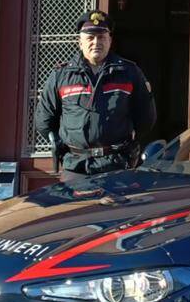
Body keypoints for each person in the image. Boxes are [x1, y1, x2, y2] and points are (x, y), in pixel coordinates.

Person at [34, 10, 156, 182]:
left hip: (116, 165)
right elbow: (44, 120)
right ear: (80, 42)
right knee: (75, 210)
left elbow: (146, 119)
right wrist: (63, 147)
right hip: (76, 167)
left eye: (102, 37)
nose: (96, 42)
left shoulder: (129, 73)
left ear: (110, 40)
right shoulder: (61, 75)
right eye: (90, 37)